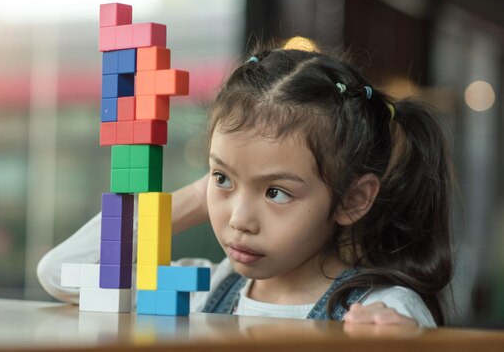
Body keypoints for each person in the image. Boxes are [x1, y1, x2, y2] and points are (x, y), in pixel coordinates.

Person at [37, 37, 454, 327]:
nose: (239, 220)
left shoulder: (383, 311)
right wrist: (201, 195)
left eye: (275, 192)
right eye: (221, 178)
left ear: (353, 199)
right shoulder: (205, 288)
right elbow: (59, 272)